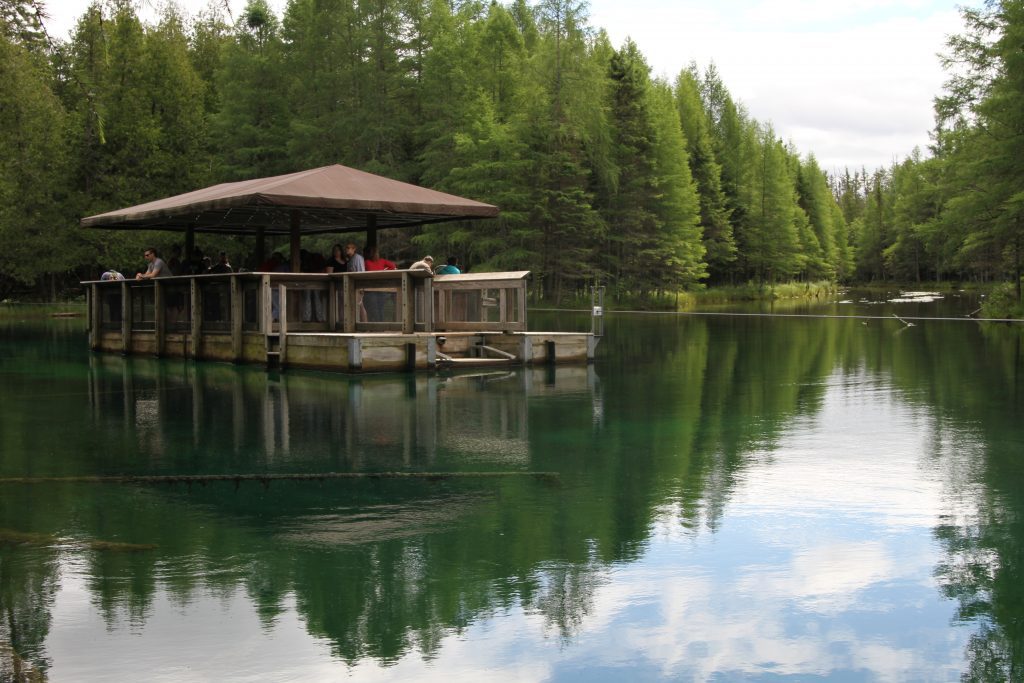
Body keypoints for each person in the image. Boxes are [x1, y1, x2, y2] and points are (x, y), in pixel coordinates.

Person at [363, 246, 396, 321]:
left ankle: (381, 325)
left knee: (380, 307)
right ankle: (375, 324)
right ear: (371, 254)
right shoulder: (367, 262)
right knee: (373, 308)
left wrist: (385, 271)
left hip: (381, 288)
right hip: (371, 289)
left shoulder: (382, 261)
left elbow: (393, 266)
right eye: (374, 253)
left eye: (377, 253)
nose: (376, 254)